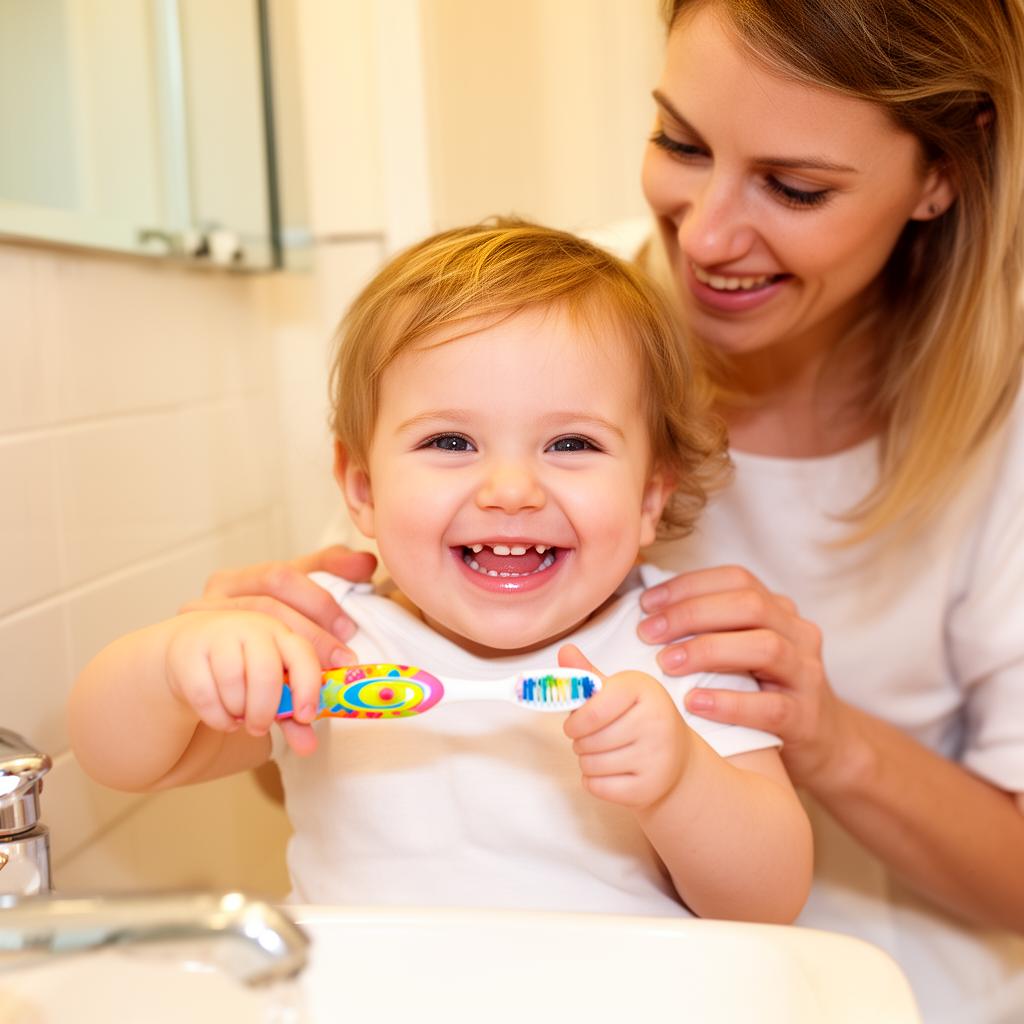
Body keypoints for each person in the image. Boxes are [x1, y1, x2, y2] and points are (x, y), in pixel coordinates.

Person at [187, 3, 1024, 1020]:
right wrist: (255, 674)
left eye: (794, 187)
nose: (707, 234)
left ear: (941, 173)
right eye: (679, 141)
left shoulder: (1002, 425)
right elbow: (318, 785)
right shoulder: (514, 326)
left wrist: (828, 741)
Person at [69, 222, 813, 923]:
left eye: (572, 444)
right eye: (452, 441)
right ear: (361, 485)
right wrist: (173, 667)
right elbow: (119, 759)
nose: (512, 489)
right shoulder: (326, 640)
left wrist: (683, 781)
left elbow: (768, 902)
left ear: (652, 495)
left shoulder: (675, 646)